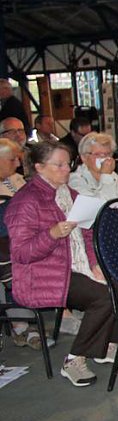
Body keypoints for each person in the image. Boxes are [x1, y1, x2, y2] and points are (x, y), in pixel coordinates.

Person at [6, 141, 118, 387]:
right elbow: (22, 254)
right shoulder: (25, 201)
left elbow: (86, 234)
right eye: (59, 165)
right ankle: (74, 360)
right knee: (102, 296)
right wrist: (52, 235)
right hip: (41, 274)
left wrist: (94, 263)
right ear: (39, 167)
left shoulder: (69, 193)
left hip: (74, 266)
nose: (66, 169)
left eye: (67, 164)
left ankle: (107, 346)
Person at [0, 138, 39, 350]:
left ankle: (22, 323)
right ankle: (21, 323)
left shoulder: (16, 179)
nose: (17, 163)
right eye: (12, 159)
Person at [69, 132, 118, 203]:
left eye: (107, 154)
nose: (103, 158)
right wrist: (106, 176)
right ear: (84, 158)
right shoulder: (75, 180)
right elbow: (100, 206)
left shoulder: (114, 176)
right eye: (97, 154)